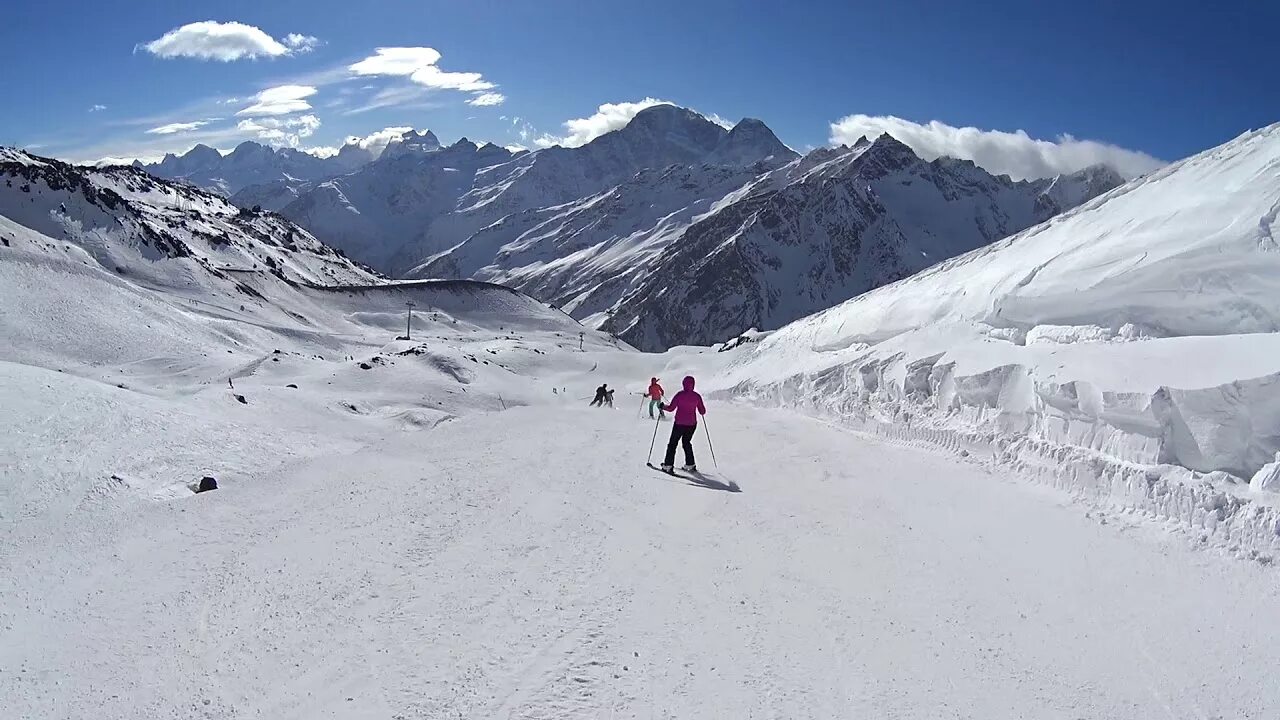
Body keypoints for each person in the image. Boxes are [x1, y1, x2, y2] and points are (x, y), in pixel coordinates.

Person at [660, 375, 706, 473]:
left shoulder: (679, 395)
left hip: (679, 424)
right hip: (692, 424)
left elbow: (671, 408)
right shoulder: (696, 396)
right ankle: (690, 464)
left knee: (672, 444)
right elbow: (702, 411)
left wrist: (663, 407)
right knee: (686, 443)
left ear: (683, 384)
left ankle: (668, 465)